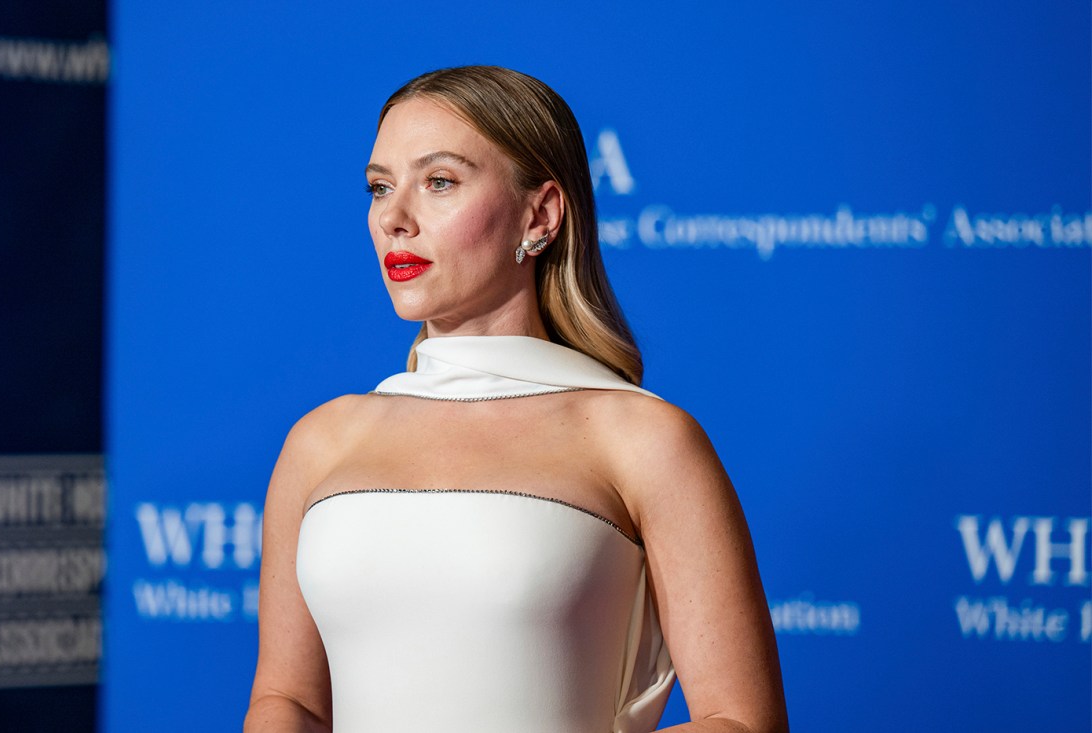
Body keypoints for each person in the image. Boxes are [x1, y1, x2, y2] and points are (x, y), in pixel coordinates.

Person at [244, 65, 788, 733]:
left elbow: (742, 720)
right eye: (380, 186)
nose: (394, 217)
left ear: (541, 214)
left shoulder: (647, 439)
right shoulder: (321, 441)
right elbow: (287, 704)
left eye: (439, 182)